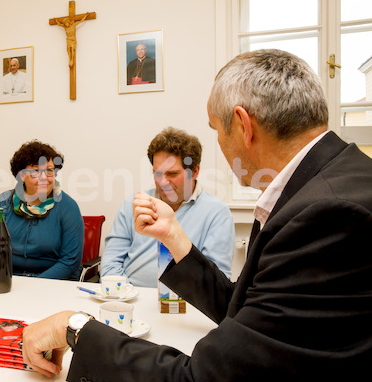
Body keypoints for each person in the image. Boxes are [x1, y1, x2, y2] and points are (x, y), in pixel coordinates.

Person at [21, 49, 372, 381]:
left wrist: (74, 327)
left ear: (243, 126)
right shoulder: (331, 183)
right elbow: (243, 308)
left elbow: (202, 375)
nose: (220, 141)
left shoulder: (329, 215)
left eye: (216, 129)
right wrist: (175, 238)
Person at [100, 127, 234, 287]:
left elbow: (215, 284)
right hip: (131, 299)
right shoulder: (135, 205)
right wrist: (127, 296)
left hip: (185, 305)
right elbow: (110, 265)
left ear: (195, 171)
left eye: (172, 174)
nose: (162, 182)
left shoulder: (217, 214)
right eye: (157, 173)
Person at [0, 140, 84, 280]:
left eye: (50, 171)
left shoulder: (68, 207)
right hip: (9, 280)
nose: (44, 177)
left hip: (54, 285)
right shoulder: (2, 203)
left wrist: (33, 286)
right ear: (21, 175)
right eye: (36, 171)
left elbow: (70, 262)